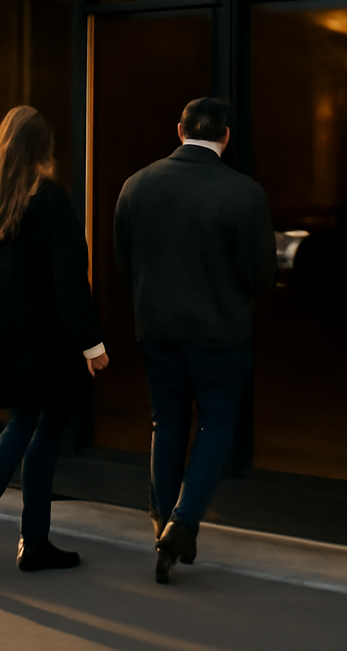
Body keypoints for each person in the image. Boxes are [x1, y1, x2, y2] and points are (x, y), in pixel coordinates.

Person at [113, 97, 274, 584]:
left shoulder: (136, 185)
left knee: (167, 421)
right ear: (226, 136)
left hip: (156, 328)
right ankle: (182, 524)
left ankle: (163, 519)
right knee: (216, 423)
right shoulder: (245, 194)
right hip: (219, 331)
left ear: (180, 131)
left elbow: (124, 261)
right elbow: (261, 275)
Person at [0, 106, 110, 573]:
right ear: (42, 150)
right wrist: (93, 345)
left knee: (33, 425)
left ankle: (27, 539)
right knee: (33, 427)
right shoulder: (51, 202)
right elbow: (71, 279)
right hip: (46, 348)